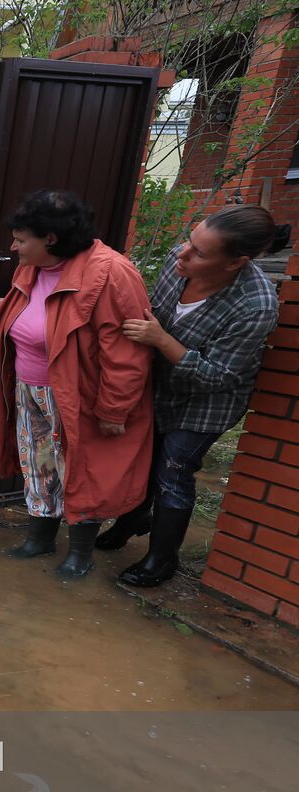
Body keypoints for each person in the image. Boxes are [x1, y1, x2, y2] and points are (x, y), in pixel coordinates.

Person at [98, 205, 283, 586]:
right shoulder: (177, 261)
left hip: (207, 403)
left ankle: (161, 560)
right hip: (161, 387)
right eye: (189, 241)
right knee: (143, 458)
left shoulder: (255, 305)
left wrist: (162, 340)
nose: (181, 254)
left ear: (235, 263)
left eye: (199, 252)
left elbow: (219, 375)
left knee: (174, 471)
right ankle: (133, 520)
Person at [0, 190, 154, 579]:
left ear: (51, 239)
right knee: (38, 463)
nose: (14, 247)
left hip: (79, 394)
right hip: (30, 385)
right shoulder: (32, 267)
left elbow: (126, 354)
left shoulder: (111, 274)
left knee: (81, 469)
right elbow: (37, 313)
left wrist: (115, 409)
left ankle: (80, 553)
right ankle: (40, 538)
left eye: (21, 239)